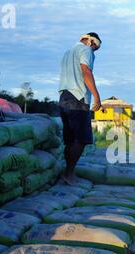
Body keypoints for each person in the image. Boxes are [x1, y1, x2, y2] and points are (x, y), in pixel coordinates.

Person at [58, 32, 103, 185]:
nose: (94, 51)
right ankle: (69, 174)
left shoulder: (68, 52)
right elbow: (86, 71)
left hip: (64, 96)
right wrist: (96, 97)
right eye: (95, 47)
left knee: (70, 139)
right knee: (82, 139)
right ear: (91, 41)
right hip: (77, 98)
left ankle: (67, 172)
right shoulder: (86, 50)